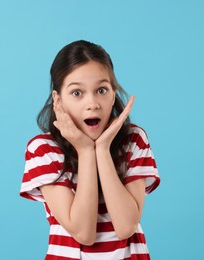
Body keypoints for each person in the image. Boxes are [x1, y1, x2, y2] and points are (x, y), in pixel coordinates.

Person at [20, 40, 160, 259]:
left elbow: (126, 227)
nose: (92, 103)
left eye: (101, 90)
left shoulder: (133, 140)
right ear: (58, 100)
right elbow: (84, 233)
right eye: (77, 93)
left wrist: (102, 150)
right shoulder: (43, 149)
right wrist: (86, 152)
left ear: (113, 94)